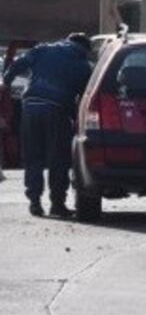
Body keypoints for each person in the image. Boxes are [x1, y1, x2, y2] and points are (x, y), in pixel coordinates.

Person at [3, 33, 92, 218]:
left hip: (30, 107)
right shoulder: (83, 66)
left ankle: (35, 202)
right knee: (58, 159)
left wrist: (7, 82)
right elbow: (84, 97)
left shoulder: (44, 49)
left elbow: (18, 64)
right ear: (85, 49)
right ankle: (57, 204)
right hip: (57, 110)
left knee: (32, 156)